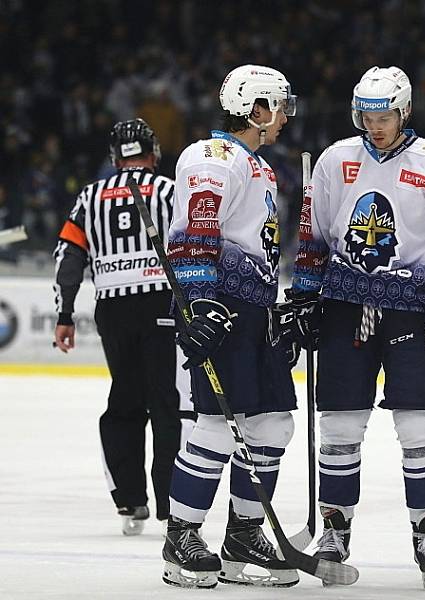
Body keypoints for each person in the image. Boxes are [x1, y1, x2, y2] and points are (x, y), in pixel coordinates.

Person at [279, 65, 425, 590]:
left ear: (405, 110)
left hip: (413, 309)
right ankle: (335, 531)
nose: (375, 124)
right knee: (340, 427)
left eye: (384, 114)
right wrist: (303, 294)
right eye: (366, 114)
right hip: (345, 306)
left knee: (419, 427)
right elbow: (314, 234)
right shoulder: (334, 159)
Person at [160, 64, 300, 589]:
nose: (285, 116)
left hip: (253, 313)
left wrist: (276, 305)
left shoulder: (256, 165)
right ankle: (182, 533)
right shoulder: (211, 157)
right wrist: (198, 306)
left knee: (271, 427)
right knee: (217, 428)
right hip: (219, 311)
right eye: (280, 106)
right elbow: (196, 231)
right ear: (256, 109)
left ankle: (242, 534)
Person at [53, 118, 189, 536]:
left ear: (115, 156)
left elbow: (68, 256)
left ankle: (130, 501)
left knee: (125, 400)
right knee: (168, 403)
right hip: (162, 302)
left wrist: (64, 313)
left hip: (112, 306)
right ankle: (173, 506)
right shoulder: (170, 189)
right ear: (154, 152)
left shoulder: (91, 196)